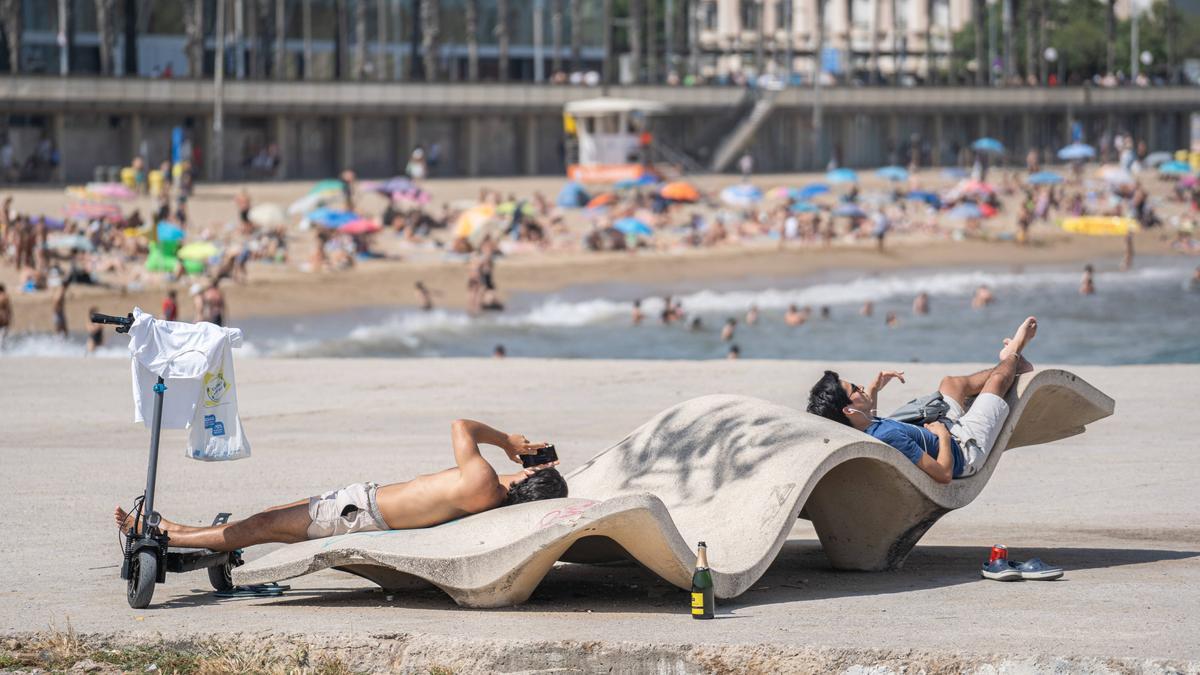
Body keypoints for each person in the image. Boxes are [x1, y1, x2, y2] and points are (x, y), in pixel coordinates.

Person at [115, 420, 567, 550]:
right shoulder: (494, 496)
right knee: (265, 520)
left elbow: (461, 427)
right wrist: (536, 472)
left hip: (356, 513)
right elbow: (511, 488)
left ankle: (159, 535)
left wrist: (508, 442)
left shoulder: (484, 479)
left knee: (259, 528)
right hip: (361, 507)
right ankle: (173, 526)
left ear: (527, 478)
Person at [806, 317, 1038, 483]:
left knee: (951, 383)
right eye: (855, 389)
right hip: (964, 450)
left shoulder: (860, 429)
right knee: (996, 382)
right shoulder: (889, 437)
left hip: (949, 431)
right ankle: (1014, 352)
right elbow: (943, 474)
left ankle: (1016, 366)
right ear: (848, 410)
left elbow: (870, 422)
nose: (861, 387)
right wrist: (944, 437)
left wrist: (874, 390)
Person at [0, 282, 10, 348]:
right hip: (4, 318)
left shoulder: (4, 296)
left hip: (3, 318)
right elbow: (9, 310)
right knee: (3, 337)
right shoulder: (5, 296)